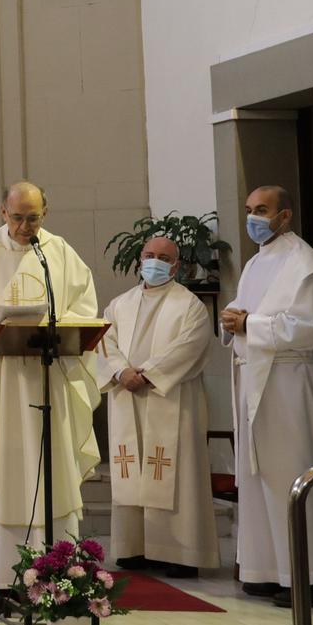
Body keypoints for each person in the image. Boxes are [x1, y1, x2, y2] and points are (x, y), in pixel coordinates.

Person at [0, 182, 101, 611]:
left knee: (53, 476)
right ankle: (3, 581)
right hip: (3, 387)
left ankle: (61, 574)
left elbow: (84, 308)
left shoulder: (60, 254)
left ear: (45, 212)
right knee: (5, 474)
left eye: (33, 217)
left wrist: (61, 325)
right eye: (17, 217)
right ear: (2, 212)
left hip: (51, 380)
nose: (25, 226)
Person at [221, 185, 313, 607]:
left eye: (263, 210)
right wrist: (233, 320)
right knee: (259, 480)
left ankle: (308, 577)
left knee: (292, 474)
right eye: (249, 209)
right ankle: (266, 569)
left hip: (290, 384)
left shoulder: (304, 263)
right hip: (255, 381)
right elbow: (245, 313)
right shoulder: (255, 263)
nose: (254, 217)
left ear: (285, 215)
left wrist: (251, 323)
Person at [96, 235, 216, 578]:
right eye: (149, 255)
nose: (154, 262)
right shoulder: (119, 305)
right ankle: (133, 548)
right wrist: (121, 372)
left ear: (176, 266)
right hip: (127, 395)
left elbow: (190, 346)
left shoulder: (189, 305)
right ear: (139, 261)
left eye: (163, 257)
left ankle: (177, 551)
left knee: (175, 472)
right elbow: (104, 342)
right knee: (131, 468)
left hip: (171, 397)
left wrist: (147, 374)